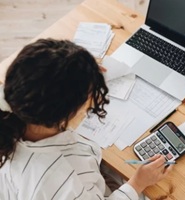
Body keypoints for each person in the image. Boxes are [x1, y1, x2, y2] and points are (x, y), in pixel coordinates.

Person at [0, 38, 173, 200]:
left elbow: (49, 71)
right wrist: (137, 183)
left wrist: (85, 70)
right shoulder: (55, 181)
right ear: (66, 113)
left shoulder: (16, 106)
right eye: (90, 96)